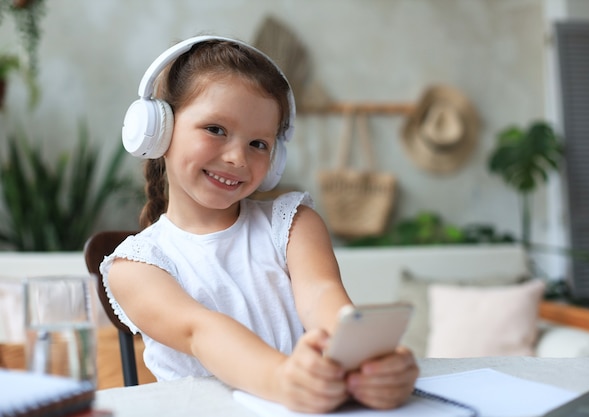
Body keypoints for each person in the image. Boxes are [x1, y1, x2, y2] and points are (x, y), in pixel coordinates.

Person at [102, 35, 419, 413]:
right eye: (215, 129)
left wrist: (370, 363)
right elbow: (202, 331)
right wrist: (283, 379)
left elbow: (323, 299)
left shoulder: (292, 224)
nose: (237, 157)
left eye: (259, 144)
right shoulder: (135, 266)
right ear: (160, 130)